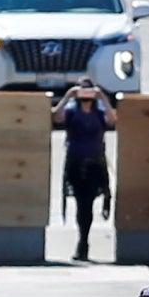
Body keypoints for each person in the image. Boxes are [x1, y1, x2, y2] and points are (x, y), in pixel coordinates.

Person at [54, 78, 116, 263]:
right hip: (76, 162)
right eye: (83, 94)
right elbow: (57, 117)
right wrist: (68, 96)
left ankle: (83, 240)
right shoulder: (72, 112)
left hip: (95, 162)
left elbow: (112, 120)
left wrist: (103, 97)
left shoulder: (99, 112)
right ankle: (83, 241)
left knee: (89, 201)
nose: (86, 98)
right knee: (82, 203)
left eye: (89, 94)